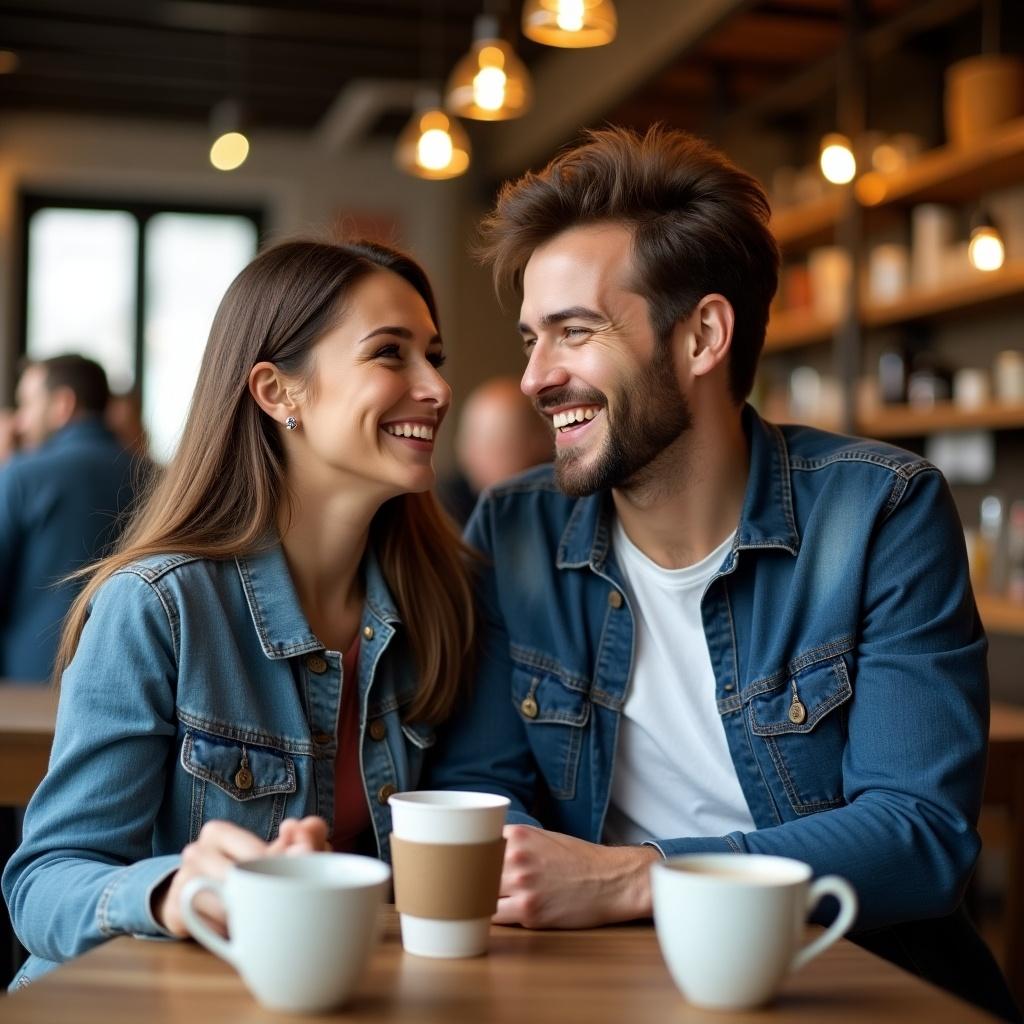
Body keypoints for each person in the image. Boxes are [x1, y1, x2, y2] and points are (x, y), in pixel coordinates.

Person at [425, 126, 1019, 1021]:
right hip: (593, 985)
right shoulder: (515, 526)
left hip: (842, 983)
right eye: (531, 340)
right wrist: (519, 862)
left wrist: (639, 877)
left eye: (575, 332)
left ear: (703, 335)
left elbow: (919, 834)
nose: (536, 377)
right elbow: (480, 787)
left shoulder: (881, 513)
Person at [2, 239, 474, 988]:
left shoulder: (440, 603)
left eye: (435, 357)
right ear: (277, 391)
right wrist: (175, 892)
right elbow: (43, 885)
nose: (437, 388)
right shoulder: (159, 606)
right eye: (391, 354)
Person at [0, 355, 138, 682]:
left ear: (63, 404)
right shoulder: (156, 478)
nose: (20, 421)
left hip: (31, 688)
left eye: (27, 404)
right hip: (131, 680)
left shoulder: (23, 476)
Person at [438, 376, 552, 525]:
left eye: (490, 446)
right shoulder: (447, 504)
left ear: (538, 445)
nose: (469, 458)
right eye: (467, 443)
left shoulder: (560, 507)